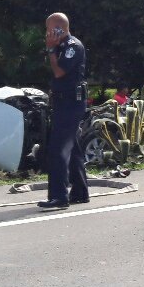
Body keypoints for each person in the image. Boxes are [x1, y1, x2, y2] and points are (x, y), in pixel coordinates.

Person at [37, 13, 90, 210]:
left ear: (59, 28)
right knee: (73, 149)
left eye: (49, 29)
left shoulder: (72, 47)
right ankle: (80, 192)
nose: (47, 33)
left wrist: (51, 49)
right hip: (63, 103)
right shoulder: (61, 46)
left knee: (58, 149)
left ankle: (59, 196)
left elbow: (59, 72)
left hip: (71, 104)